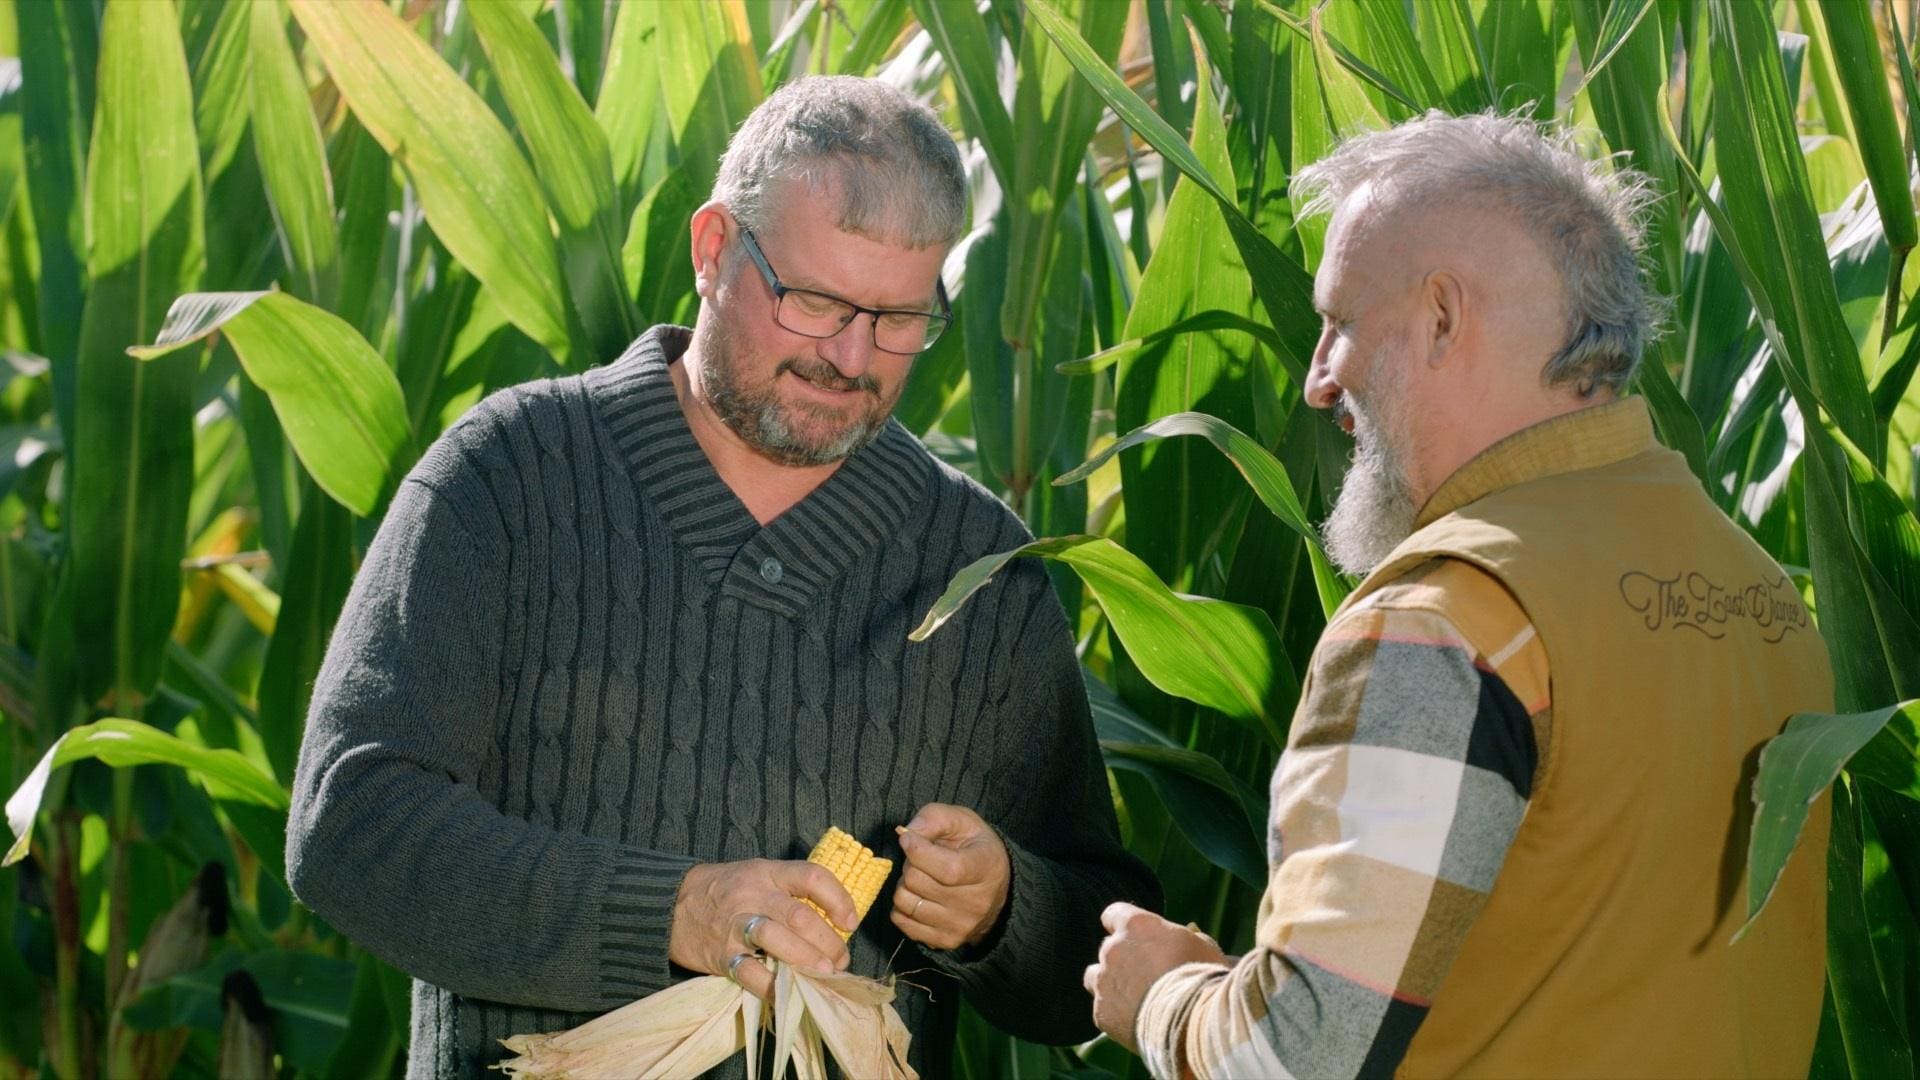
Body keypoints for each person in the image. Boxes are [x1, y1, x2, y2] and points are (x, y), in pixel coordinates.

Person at [287, 75, 1158, 1078]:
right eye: (817, 301)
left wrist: (1006, 906)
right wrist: (675, 910)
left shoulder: (981, 577)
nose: (852, 357)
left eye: (900, 319)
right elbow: (349, 828)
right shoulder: (508, 477)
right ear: (714, 250)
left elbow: (1099, 953)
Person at [1084, 111, 1833, 1078]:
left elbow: (1295, 1061)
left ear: (1441, 317)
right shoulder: (1757, 591)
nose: (1319, 379)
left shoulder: (1448, 618)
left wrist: (1164, 1000)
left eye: (1339, 321)